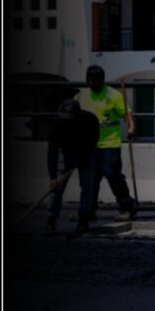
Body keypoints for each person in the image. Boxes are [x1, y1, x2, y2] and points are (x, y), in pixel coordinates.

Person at [75, 65, 136, 221]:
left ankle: (126, 207)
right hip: (89, 146)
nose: (94, 83)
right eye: (91, 80)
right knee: (90, 180)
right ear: (87, 80)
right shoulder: (81, 97)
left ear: (102, 80)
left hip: (109, 144)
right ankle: (88, 210)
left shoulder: (113, 95)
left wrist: (131, 127)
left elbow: (126, 113)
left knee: (113, 176)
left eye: (97, 80)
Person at [46, 100, 99, 235]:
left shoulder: (90, 119)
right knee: (56, 188)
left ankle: (83, 221)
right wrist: (53, 177)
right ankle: (51, 220)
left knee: (87, 188)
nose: (67, 121)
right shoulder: (56, 126)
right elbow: (52, 153)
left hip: (86, 153)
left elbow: (94, 140)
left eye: (70, 118)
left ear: (78, 114)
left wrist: (82, 156)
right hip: (66, 154)